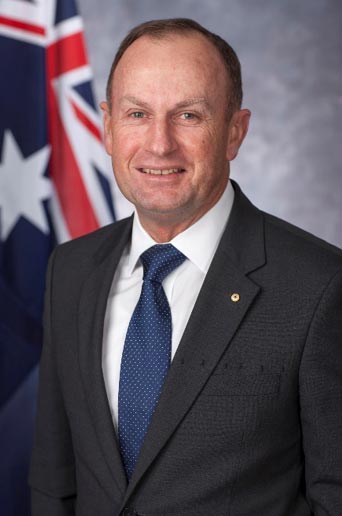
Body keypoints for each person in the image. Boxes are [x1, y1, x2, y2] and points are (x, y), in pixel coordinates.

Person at [29, 18, 342, 516]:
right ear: (107, 128)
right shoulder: (69, 270)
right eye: (137, 114)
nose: (159, 144)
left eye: (189, 116)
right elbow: (54, 482)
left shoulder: (320, 286)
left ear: (235, 132)